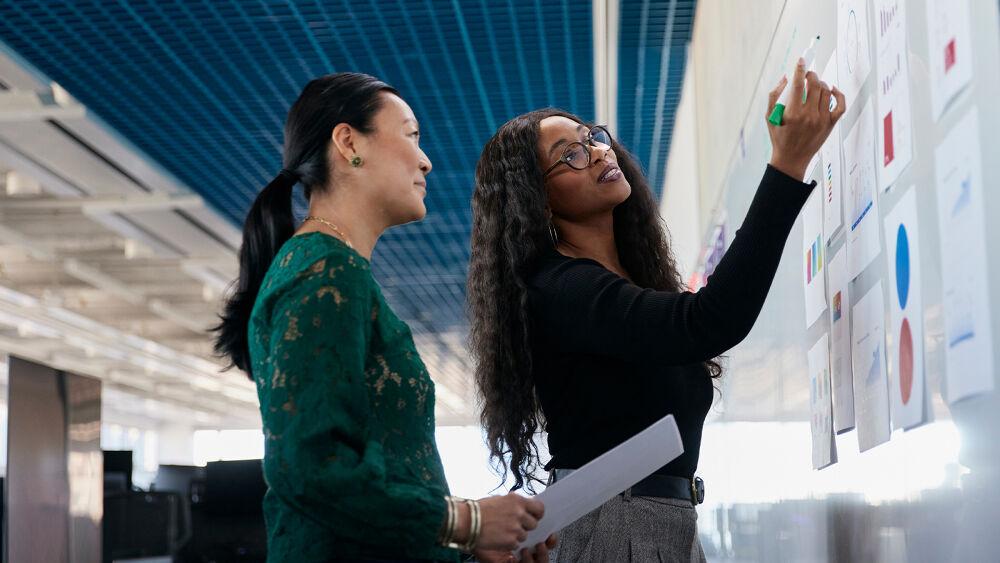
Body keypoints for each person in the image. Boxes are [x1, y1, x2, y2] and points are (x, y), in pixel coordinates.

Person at [467, 61, 844, 561]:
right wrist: (786, 166)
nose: (598, 152)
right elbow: (709, 322)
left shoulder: (626, 281)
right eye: (571, 155)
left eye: (593, 138)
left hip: (659, 523)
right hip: (612, 528)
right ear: (537, 201)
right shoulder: (559, 289)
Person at [214, 72, 555, 562]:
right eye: (411, 135)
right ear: (349, 142)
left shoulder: (333, 270)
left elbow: (381, 479)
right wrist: (467, 521)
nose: (426, 159)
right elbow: (311, 467)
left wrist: (472, 547)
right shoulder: (325, 271)